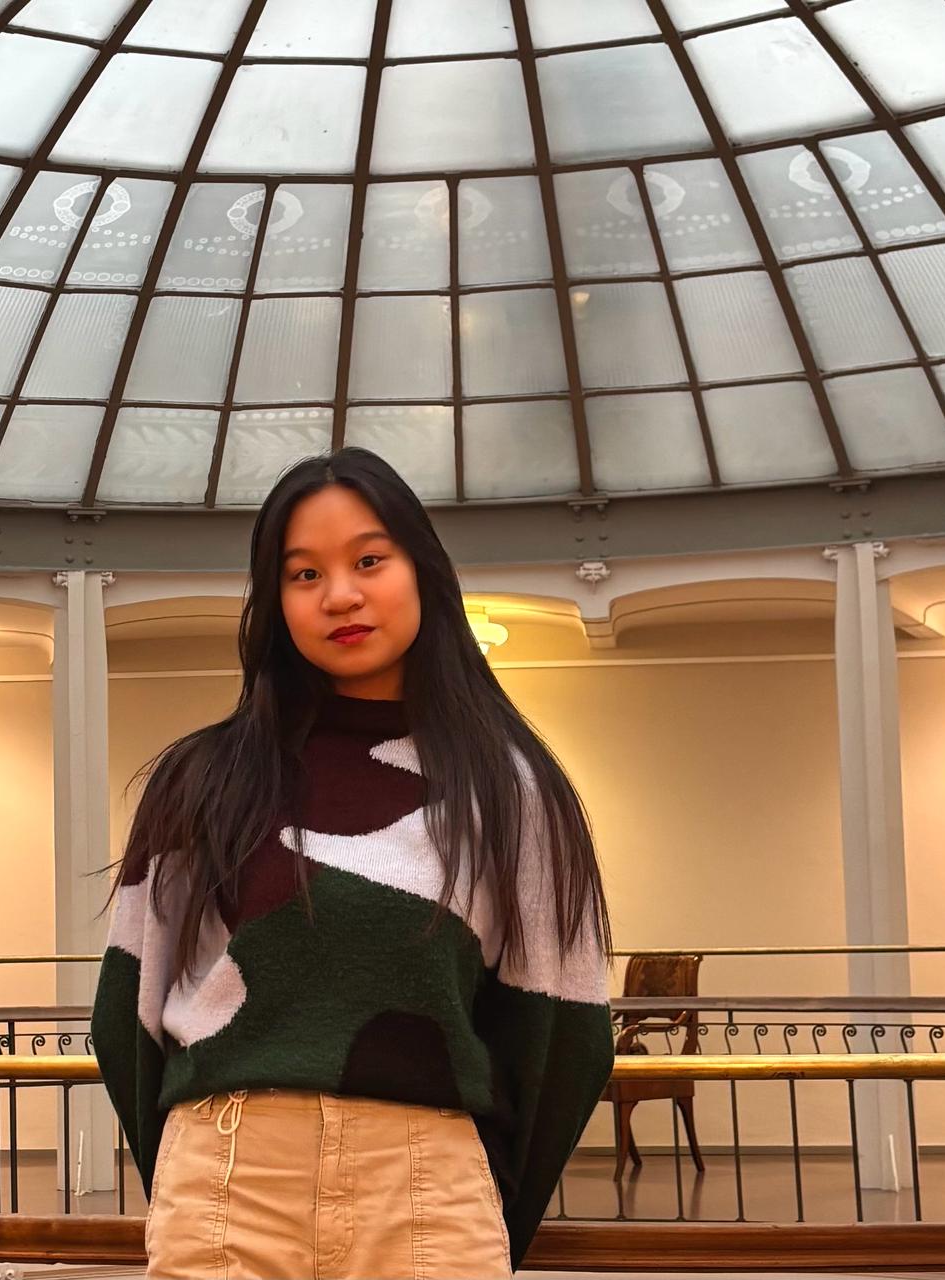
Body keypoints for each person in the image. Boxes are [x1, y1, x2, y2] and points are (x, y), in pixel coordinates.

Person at [91, 446, 615, 1279]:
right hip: (225, 1184)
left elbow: (565, 1038)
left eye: (369, 560)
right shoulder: (202, 780)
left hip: (429, 1197)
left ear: (423, 570)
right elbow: (127, 1015)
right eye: (304, 574)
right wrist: (195, 1178)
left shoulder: (509, 789)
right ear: (274, 600)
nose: (339, 595)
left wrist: (478, 1204)